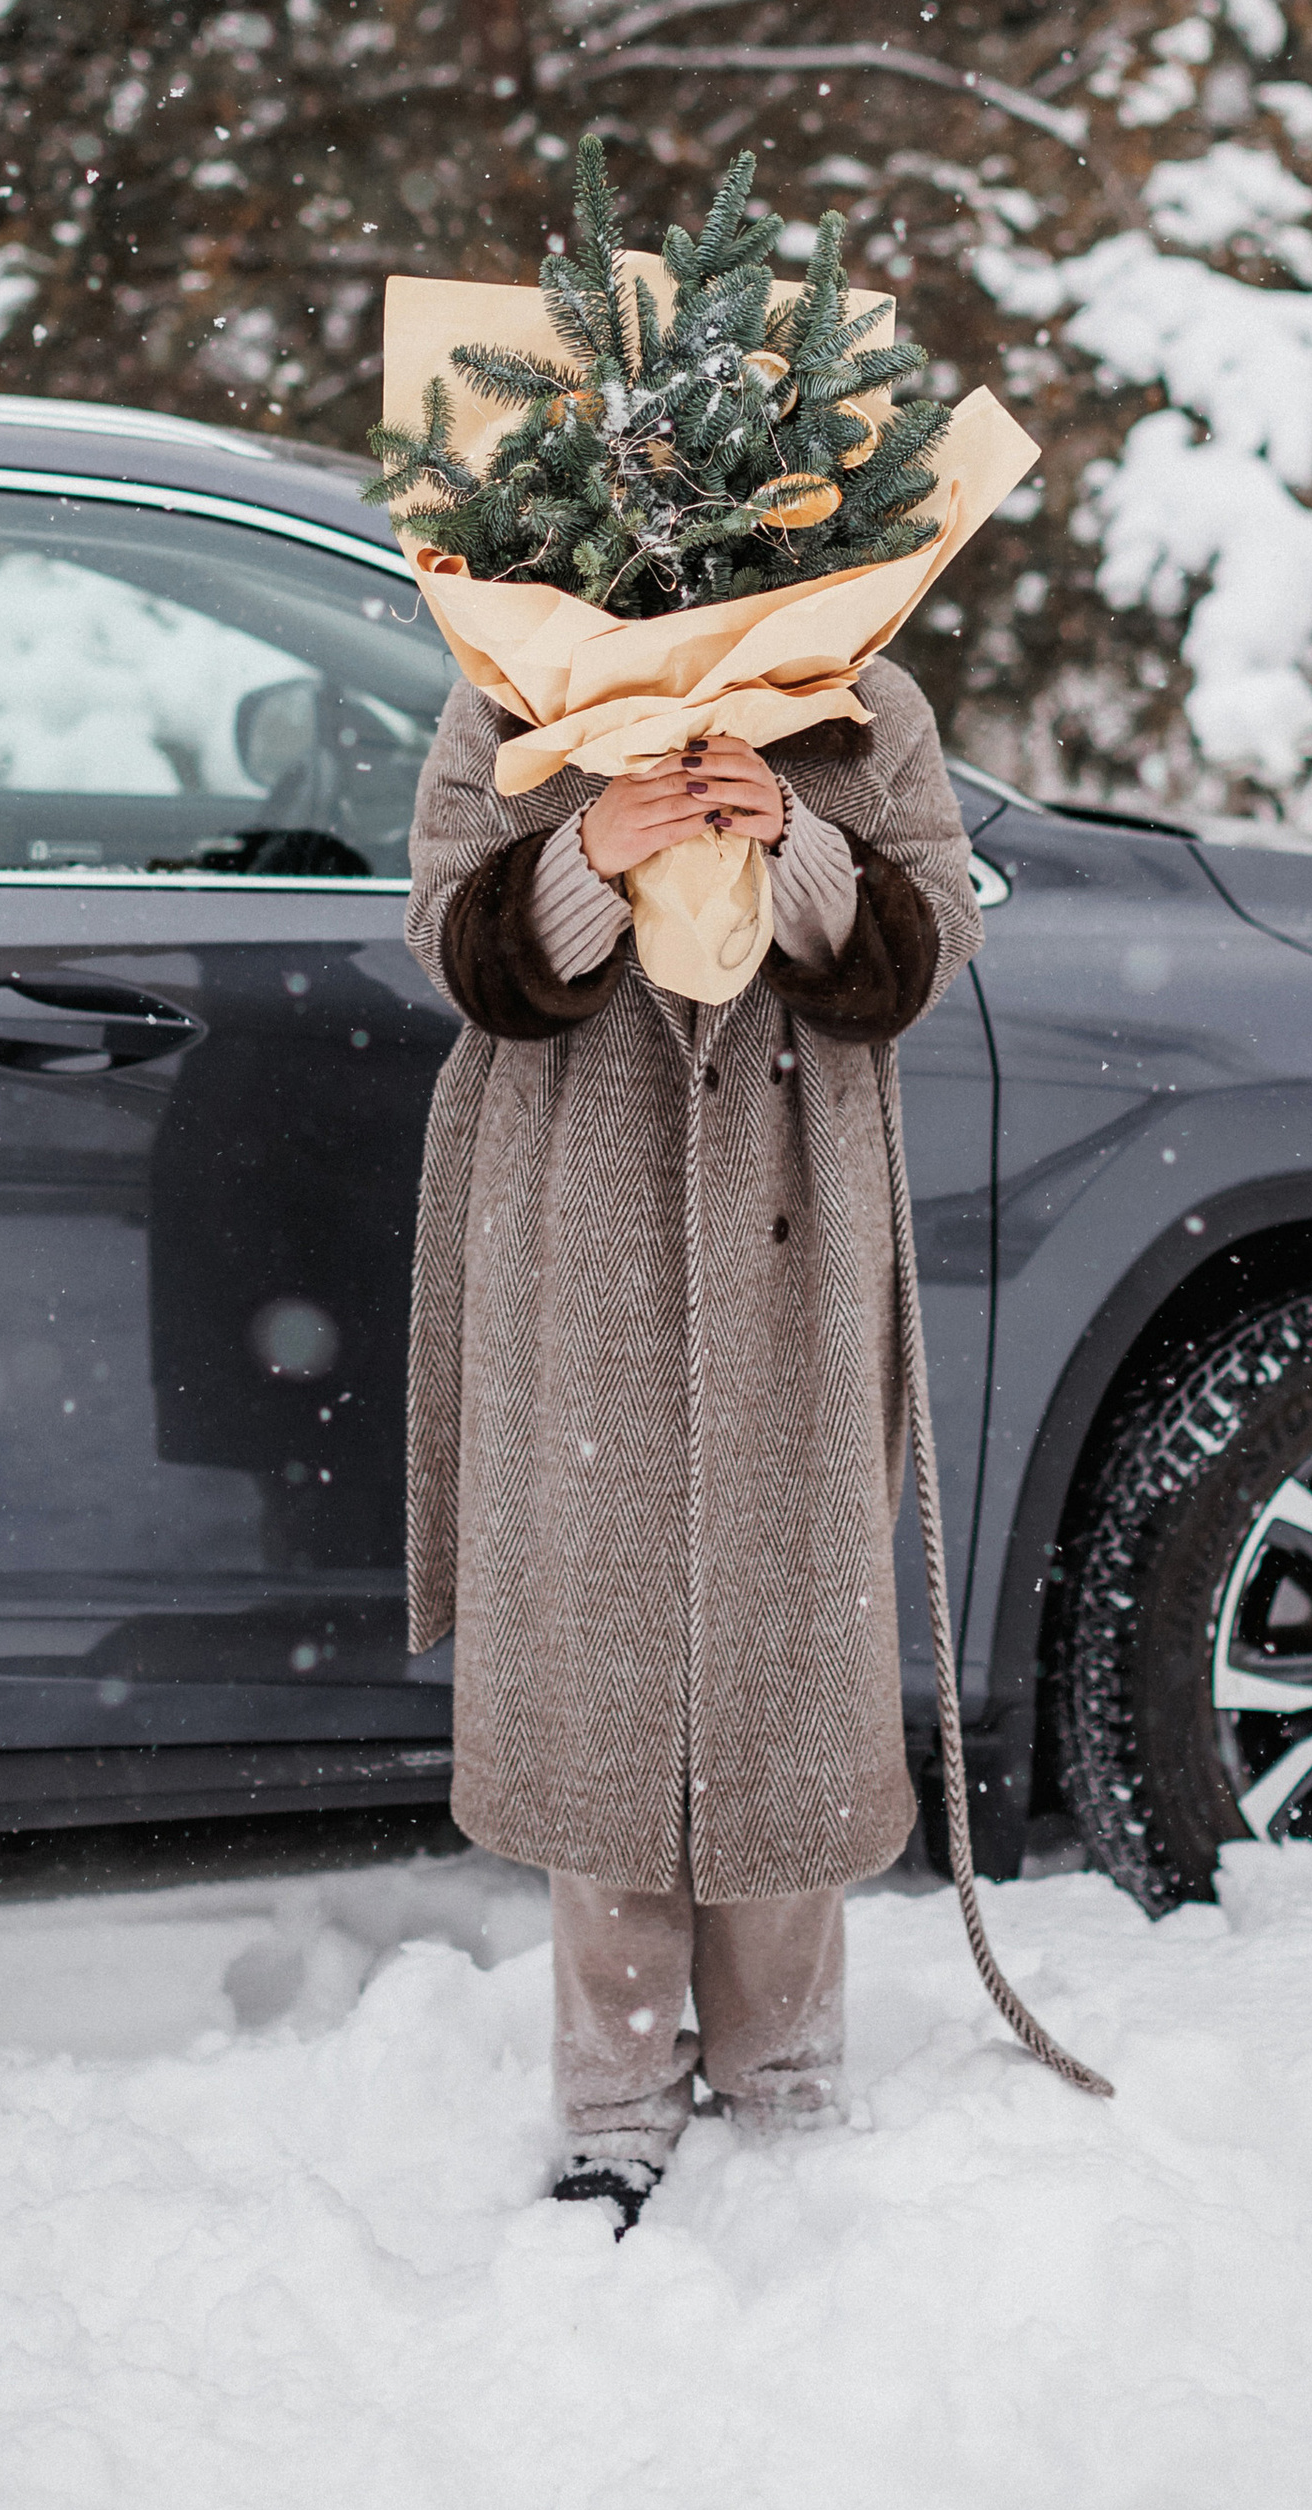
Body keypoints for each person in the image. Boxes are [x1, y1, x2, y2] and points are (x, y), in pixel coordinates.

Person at [402, 661, 982, 2230]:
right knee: (597, 1647)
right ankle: (616, 2089)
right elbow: (451, 932)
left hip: (797, 1219)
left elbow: (925, 942)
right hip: (577, 1217)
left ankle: (786, 2068)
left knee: (795, 1636)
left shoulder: (866, 698)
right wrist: (581, 867)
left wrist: (800, 841)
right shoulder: (517, 689)